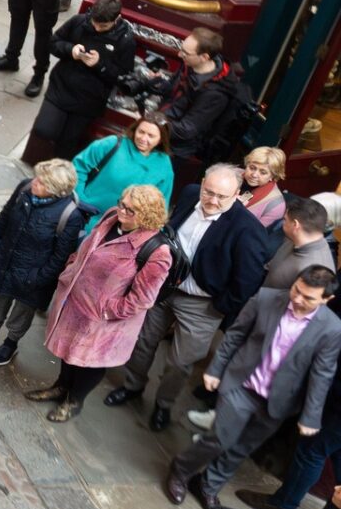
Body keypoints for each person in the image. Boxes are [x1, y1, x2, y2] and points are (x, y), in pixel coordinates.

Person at [106, 165, 273, 432]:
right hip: (164, 289)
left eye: (222, 196)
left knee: (180, 362)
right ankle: (132, 386)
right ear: (202, 183)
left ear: (238, 194)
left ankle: (163, 404)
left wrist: (219, 307)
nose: (213, 200)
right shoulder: (189, 194)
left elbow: (248, 281)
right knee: (142, 340)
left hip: (202, 304)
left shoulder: (248, 230)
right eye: (209, 192)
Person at [170, 268, 341, 503]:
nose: (298, 299)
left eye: (308, 298)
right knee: (220, 438)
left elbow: (323, 374)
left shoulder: (332, 329)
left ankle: (208, 485)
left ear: (326, 299)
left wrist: (311, 416)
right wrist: (216, 369)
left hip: (278, 401)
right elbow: (235, 336)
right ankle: (180, 471)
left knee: (241, 449)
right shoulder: (266, 298)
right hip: (242, 384)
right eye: (296, 290)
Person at [34, 184, 177, 421]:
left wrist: (107, 311)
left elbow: (142, 299)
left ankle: (73, 401)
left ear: (147, 216)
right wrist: (71, 267)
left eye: (131, 210)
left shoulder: (156, 252)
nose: (122, 211)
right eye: (122, 203)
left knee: (89, 362)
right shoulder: (112, 216)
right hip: (76, 302)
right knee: (68, 350)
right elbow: (89, 246)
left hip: (105, 321)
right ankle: (60, 387)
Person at [0, 161, 90, 365]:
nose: (35, 182)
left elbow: (61, 256)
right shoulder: (25, 188)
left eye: (42, 182)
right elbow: (4, 216)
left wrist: (38, 278)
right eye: (37, 178)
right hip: (6, 259)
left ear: (56, 190)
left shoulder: (70, 215)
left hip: (34, 275)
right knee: (0, 297)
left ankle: (11, 342)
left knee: (22, 311)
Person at [30, 0, 137, 160]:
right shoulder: (79, 21)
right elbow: (53, 42)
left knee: (68, 143)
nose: (97, 28)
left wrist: (99, 64)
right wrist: (70, 50)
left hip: (89, 99)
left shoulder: (125, 41)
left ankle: (57, 173)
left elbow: (123, 76)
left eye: (103, 26)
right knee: (44, 130)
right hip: (62, 86)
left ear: (117, 19)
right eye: (94, 23)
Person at [147, 27, 249, 163]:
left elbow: (187, 130)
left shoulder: (215, 94)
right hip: (160, 131)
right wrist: (157, 83)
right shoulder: (190, 63)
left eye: (186, 53)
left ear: (204, 57)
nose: (179, 54)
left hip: (173, 149)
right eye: (181, 49)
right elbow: (173, 90)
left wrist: (154, 124)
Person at [72, 115, 175, 228]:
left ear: (160, 140)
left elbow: (160, 208)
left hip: (122, 230)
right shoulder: (112, 143)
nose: (143, 138)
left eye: (151, 136)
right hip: (85, 216)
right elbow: (77, 168)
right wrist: (80, 200)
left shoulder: (164, 165)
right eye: (141, 132)